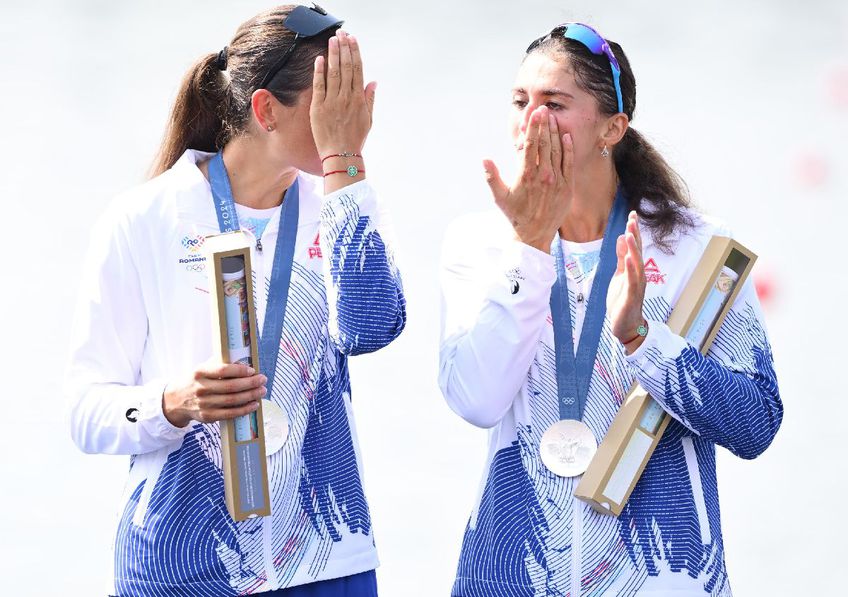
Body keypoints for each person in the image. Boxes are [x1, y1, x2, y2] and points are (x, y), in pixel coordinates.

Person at [64, 4, 405, 596]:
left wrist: (345, 167)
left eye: (352, 100)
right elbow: (85, 411)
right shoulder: (144, 217)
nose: (347, 121)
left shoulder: (344, 203)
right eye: (330, 102)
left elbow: (371, 328)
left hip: (327, 560)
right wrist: (173, 403)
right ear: (266, 109)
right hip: (183, 564)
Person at [438, 22, 781, 596]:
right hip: (511, 575)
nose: (532, 119)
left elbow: (756, 424)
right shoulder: (478, 242)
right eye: (521, 101)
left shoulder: (695, 247)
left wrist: (646, 341)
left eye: (555, 103)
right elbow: (477, 399)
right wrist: (528, 247)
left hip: (660, 576)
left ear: (612, 128)